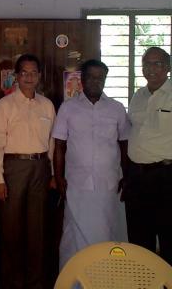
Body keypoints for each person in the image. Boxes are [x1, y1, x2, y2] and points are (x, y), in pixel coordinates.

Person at [0, 54, 55, 289]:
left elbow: (53, 143)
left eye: (33, 72)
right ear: (16, 77)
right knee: (11, 229)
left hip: (40, 169)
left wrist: (53, 174)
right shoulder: (4, 105)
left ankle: (36, 282)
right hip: (13, 169)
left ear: (39, 76)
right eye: (24, 73)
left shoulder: (47, 105)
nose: (29, 77)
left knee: (37, 230)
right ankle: (12, 282)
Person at [52, 59, 129, 269]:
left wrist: (127, 176)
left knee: (107, 232)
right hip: (76, 184)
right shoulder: (68, 108)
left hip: (109, 184)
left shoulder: (117, 108)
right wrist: (58, 177)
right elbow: (59, 145)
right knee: (74, 235)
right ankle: (74, 279)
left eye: (100, 77)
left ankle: (105, 278)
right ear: (82, 80)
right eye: (91, 77)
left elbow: (124, 145)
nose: (96, 81)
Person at [124, 46, 172, 265]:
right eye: (146, 64)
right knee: (139, 240)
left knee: (168, 239)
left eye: (157, 63)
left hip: (165, 176)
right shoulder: (138, 95)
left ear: (168, 67)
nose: (151, 69)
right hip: (136, 178)